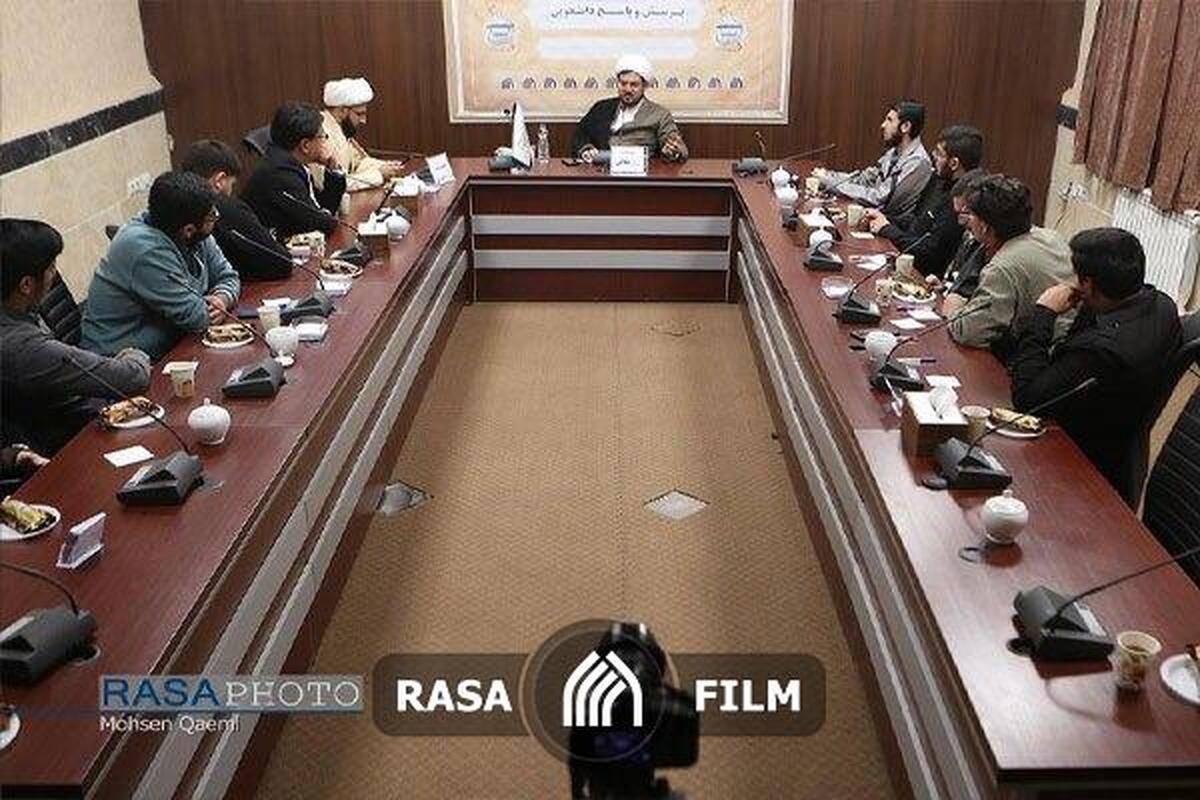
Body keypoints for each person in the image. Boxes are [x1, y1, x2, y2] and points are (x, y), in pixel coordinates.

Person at [1009, 228, 1181, 505]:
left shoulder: (1099, 352)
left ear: (1087, 284)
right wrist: (1089, 302)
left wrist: (1044, 314)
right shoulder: (1162, 304)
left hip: (1076, 467)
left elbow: (1027, 399)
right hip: (1119, 450)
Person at [1, 219, 151, 454]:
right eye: (51, 267)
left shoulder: (18, 312)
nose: (54, 276)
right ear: (26, 285)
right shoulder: (24, 347)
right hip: (73, 442)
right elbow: (132, 378)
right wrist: (134, 352)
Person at [82, 172, 241, 360]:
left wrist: (222, 298)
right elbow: (198, 318)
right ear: (188, 230)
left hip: (167, 346)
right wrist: (207, 308)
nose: (215, 218)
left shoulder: (190, 227)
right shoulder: (145, 249)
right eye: (212, 216)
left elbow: (228, 277)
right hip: (121, 362)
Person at [945, 174, 1074, 360]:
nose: (968, 222)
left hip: (1043, 356)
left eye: (971, 215)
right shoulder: (1051, 237)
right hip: (1072, 344)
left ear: (985, 226)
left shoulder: (1002, 267)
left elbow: (969, 332)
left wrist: (953, 309)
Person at [865, 124, 983, 278]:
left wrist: (887, 229)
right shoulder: (937, 179)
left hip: (922, 275)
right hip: (904, 259)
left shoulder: (961, 203)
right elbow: (916, 220)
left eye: (939, 153)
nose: (933, 156)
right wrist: (883, 219)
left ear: (954, 163)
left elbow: (929, 254)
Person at [180, 139, 293, 281]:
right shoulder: (225, 208)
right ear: (219, 180)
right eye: (232, 184)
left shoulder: (173, 205)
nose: (231, 191)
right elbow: (281, 262)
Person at [242, 101, 347, 239]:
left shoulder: (293, 164)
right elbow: (319, 223)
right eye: (322, 137)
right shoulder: (281, 174)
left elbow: (321, 208)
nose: (324, 142)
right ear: (305, 145)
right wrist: (327, 219)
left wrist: (334, 171)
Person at [817, 100, 932, 217]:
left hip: (890, 224)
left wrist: (832, 185)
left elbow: (879, 198)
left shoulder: (918, 162)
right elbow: (864, 179)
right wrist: (828, 176)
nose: (883, 125)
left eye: (889, 120)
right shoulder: (894, 152)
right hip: (872, 217)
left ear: (905, 127)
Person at [571, 55, 688, 163]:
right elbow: (580, 135)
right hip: (602, 171)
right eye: (623, 84)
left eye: (634, 85)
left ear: (644, 86)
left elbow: (677, 146)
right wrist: (586, 149)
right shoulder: (601, 108)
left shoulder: (660, 114)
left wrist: (673, 150)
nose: (627, 89)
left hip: (641, 174)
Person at [312, 77, 404, 191]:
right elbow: (335, 185)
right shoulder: (320, 134)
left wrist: (386, 166)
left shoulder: (340, 128)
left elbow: (357, 163)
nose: (363, 121)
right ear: (342, 111)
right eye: (359, 114)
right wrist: (378, 175)